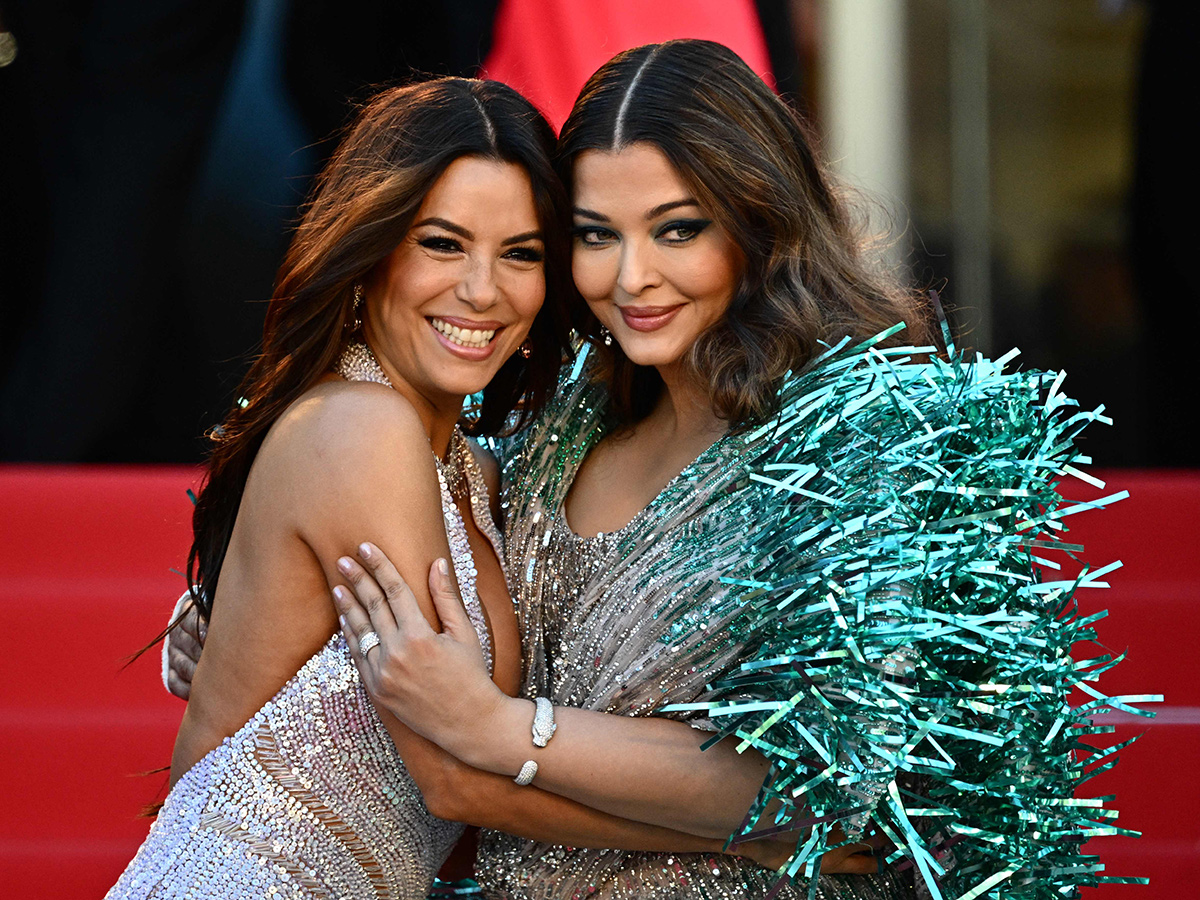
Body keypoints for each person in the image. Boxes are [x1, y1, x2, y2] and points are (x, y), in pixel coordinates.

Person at [329, 41, 1139, 900]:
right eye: (596, 236)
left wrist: (504, 735)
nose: (633, 278)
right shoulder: (555, 429)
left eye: (678, 230)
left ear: (758, 219)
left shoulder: (864, 441)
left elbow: (821, 792)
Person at [110, 75, 785, 900]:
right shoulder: (361, 429)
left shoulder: (479, 471)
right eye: (441, 243)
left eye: (522, 253)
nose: (481, 290)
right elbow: (456, 779)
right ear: (373, 248)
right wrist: (772, 836)